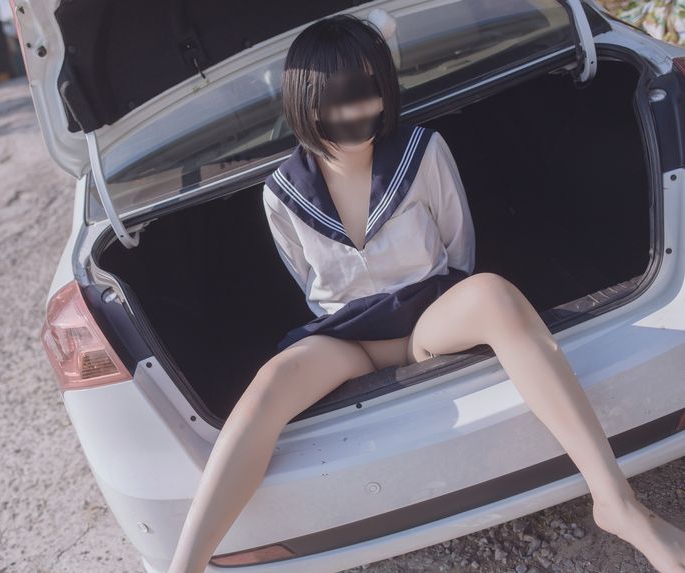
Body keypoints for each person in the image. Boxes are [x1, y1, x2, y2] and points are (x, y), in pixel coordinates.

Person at [167, 13, 685, 573]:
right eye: (342, 93)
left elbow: (459, 250)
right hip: (345, 341)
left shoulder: (422, 150)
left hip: (428, 317)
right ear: (307, 101)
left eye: (371, 86)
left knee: (492, 294)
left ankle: (617, 504)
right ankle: (185, 566)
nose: (361, 106)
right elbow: (311, 287)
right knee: (268, 386)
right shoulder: (281, 193)